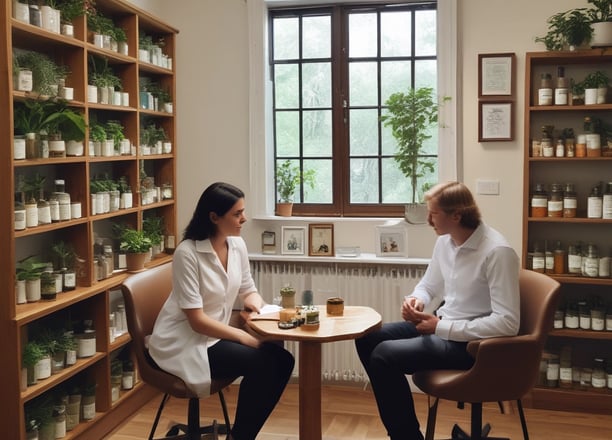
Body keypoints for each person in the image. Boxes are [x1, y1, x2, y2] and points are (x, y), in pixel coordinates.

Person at [355, 181, 520, 440]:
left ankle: (406, 437)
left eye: (433, 213)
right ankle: (404, 430)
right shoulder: (446, 241)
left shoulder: (497, 252)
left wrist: (440, 327)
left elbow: (508, 322)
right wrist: (416, 300)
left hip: (473, 346)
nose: (428, 219)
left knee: (384, 355)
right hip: (443, 325)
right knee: (368, 337)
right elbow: (429, 285)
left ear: (457, 215)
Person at [148, 182, 295, 440]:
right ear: (214, 217)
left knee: (283, 359)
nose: (244, 218)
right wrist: (243, 337)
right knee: (267, 363)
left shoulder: (236, 245)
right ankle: (241, 436)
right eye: (237, 214)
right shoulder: (188, 253)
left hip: (215, 335)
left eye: (243, 211)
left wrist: (256, 307)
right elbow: (196, 321)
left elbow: (248, 288)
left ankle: (240, 435)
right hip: (186, 341)